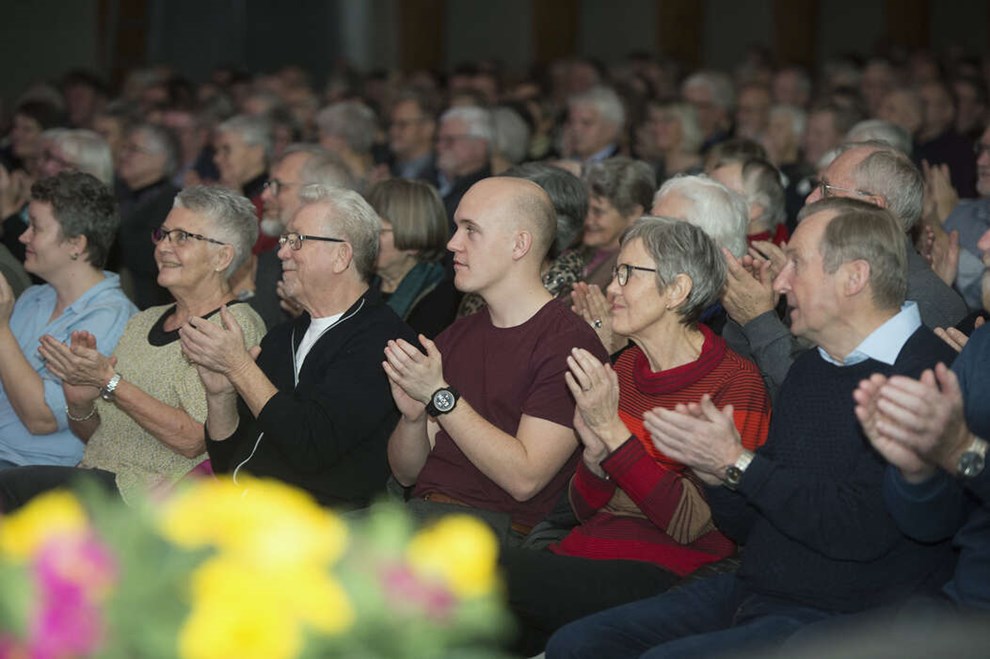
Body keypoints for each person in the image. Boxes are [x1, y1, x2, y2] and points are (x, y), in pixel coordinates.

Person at [546, 199, 958, 659]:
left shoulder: (928, 375)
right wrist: (714, 472)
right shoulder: (812, 370)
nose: (779, 284)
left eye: (796, 264)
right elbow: (747, 526)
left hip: (847, 615)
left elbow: (860, 530)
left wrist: (736, 463)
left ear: (854, 277)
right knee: (577, 644)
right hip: (753, 590)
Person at [503, 218, 771, 653]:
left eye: (629, 274)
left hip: (664, 574)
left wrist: (612, 433)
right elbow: (582, 509)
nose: (612, 288)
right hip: (584, 553)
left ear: (676, 290)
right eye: (616, 273)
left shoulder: (735, 382)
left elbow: (692, 524)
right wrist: (594, 461)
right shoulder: (623, 369)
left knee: (476, 571)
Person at [0, 186, 267, 510]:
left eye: (182, 237)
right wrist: (79, 401)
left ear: (222, 257)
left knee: (10, 488)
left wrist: (110, 382)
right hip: (96, 477)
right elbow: (99, 437)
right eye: (163, 234)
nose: (164, 247)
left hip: (150, 497)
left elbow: (195, 440)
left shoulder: (232, 327)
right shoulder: (144, 321)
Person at [385, 177, 608, 543]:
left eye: (471, 230)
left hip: (494, 534)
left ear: (519, 244)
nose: (452, 243)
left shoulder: (569, 344)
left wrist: (441, 396)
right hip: (422, 515)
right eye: (457, 227)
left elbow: (525, 479)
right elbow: (407, 474)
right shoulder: (457, 335)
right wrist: (412, 419)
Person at [180, 185, 416, 508]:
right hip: (246, 513)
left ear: (341, 256)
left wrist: (240, 367)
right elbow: (229, 466)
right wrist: (220, 395)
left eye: (297, 241)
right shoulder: (281, 338)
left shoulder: (384, 342)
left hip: (323, 527)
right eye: (284, 241)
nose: (282, 253)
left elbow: (310, 448)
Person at [0, 172, 136, 468]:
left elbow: (42, 418)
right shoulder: (34, 298)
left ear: (76, 244)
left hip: (29, 470)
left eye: (35, 227)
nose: (23, 236)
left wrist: (0, 330)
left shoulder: (111, 318)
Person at [367, 179, 459, 338]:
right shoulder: (362, 283)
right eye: (364, 227)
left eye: (379, 231)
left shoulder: (442, 302)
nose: (365, 237)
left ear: (413, 240)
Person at [115, 123, 182, 308]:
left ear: (161, 158)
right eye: (123, 148)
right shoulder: (118, 195)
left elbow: (149, 256)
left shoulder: (174, 203)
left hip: (144, 301)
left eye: (133, 149)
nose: (122, 155)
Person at [580, 157, 655, 289]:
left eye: (598, 211)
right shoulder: (575, 247)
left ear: (633, 213)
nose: (587, 219)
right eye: (586, 208)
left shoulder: (636, 270)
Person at [565, 86, 625, 163]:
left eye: (586, 123)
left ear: (610, 129)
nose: (575, 128)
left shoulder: (624, 169)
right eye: (571, 122)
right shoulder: (562, 161)